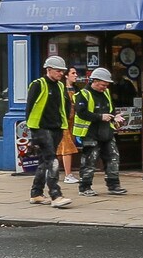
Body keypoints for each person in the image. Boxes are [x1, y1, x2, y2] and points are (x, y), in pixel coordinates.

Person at [24, 54, 73, 207]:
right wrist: (32, 131)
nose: (61, 74)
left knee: (44, 162)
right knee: (52, 160)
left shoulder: (60, 86)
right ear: (49, 70)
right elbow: (29, 107)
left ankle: (36, 194)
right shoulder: (38, 84)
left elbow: (65, 106)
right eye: (58, 71)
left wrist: (62, 125)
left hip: (56, 127)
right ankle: (56, 195)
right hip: (40, 128)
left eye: (62, 71)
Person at [73, 66, 127, 197]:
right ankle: (85, 187)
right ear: (94, 81)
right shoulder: (83, 94)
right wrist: (100, 117)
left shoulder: (106, 93)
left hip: (106, 132)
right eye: (103, 85)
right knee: (89, 161)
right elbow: (81, 113)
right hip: (90, 133)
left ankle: (113, 185)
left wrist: (116, 117)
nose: (105, 88)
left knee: (113, 157)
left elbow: (111, 109)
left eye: (107, 85)